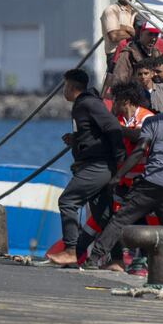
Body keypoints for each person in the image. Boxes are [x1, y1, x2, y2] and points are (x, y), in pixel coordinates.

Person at [87, 90, 163, 268]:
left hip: (150, 184)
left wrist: (118, 176)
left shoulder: (153, 121)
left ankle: (94, 259)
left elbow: (140, 149)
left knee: (120, 220)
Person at [48, 68, 125, 267]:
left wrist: (119, 161)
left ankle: (71, 250)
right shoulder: (83, 104)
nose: (63, 90)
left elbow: (113, 127)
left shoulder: (88, 103)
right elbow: (95, 133)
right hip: (95, 164)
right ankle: (117, 260)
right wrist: (76, 140)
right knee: (103, 215)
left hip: (98, 165)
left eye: (64, 86)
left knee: (68, 201)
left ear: (71, 86)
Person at [74, 83, 153, 271]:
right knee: (113, 220)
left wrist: (115, 130)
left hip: (143, 181)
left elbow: (138, 137)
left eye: (115, 100)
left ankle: (143, 262)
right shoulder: (116, 119)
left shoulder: (146, 117)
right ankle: (114, 258)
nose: (112, 104)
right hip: (122, 181)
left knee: (141, 221)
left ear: (125, 101)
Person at [100, 0, 137, 70]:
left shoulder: (136, 11)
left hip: (134, 54)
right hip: (116, 54)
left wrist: (126, 28)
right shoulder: (112, 10)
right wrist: (135, 33)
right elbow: (114, 36)